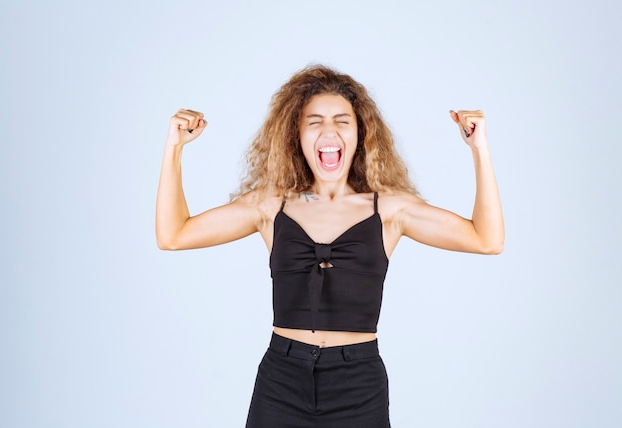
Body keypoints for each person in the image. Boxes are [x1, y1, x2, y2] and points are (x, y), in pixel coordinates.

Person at [156, 65, 504, 427]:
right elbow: (173, 234)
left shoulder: (389, 210)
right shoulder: (270, 205)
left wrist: (479, 149)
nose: (329, 131)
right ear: (296, 134)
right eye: (314, 121)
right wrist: (174, 147)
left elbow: (487, 239)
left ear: (360, 133)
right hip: (281, 380)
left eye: (342, 121)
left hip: (358, 384)